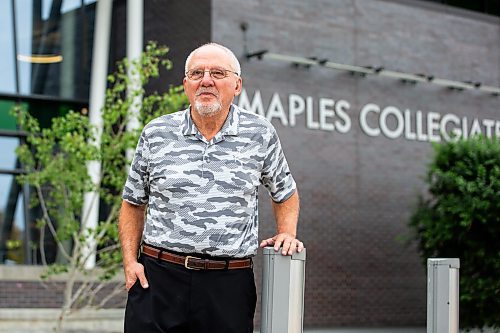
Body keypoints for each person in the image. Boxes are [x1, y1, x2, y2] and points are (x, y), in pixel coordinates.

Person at [119, 42, 303, 333]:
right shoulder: (156, 133)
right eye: (196, 73)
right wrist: (130, 262)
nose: (206, 80)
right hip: (158, 280)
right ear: (185, 85)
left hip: (228, 285)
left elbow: (286, 193)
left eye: (218, 72)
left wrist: (287, 233)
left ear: (237, 85)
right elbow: (132, 203)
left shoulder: (260, 133)